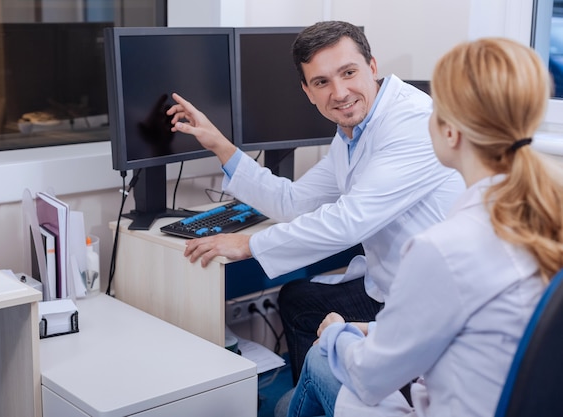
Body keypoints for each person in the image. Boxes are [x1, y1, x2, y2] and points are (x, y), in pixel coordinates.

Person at [166, 20, 464, 382]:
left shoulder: (412, 123)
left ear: (372, 67)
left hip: (431, 306)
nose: (339, 93)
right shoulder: (353, 130)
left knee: (302, 307)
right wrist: (220, 145)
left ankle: (324, 393)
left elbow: (349, 221)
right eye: (322, 82)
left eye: (348, 72)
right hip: (393, 285)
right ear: (307, 91)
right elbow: (294, 202)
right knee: (298, 299)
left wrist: (249, 243)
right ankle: (320, 389)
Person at [282, 37, 563, 417]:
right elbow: (476, 327)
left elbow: (369, 377)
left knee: (310, 371)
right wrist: (370, 331)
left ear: (450, 131)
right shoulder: (539, 213)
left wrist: (336, 334)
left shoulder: (443, 248)